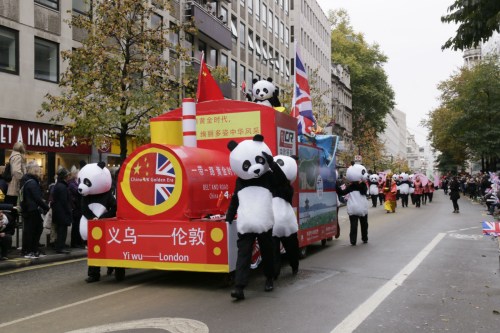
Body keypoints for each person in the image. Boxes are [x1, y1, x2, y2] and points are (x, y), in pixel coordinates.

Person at [20, 161, 50, 259]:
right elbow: (37, 198)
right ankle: (30, 251)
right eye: (37, 168)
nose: (39, 170)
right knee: (34, 230)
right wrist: (47, 207)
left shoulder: (26, 180)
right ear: (33, 169)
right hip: (32, 209)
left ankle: (31, 249)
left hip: (27, 209)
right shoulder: (32, 182)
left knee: (30, 230)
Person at [51, 168, 72, 254]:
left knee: (60, 230)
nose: (69, 177)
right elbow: (64, 201)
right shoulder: (62, 186)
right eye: (68, 175)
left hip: (58, 212)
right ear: (65, 176)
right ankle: (60, 247)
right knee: (62, 231)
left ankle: (60, 246)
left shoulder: (58, 185)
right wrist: (69, 210)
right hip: (62, 212)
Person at [5, 141, 27, 206]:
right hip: (16, 186)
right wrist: (24, 178)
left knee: (11, 205)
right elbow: (16, 171)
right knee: (15, 206)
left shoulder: (13, 155)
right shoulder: (18, 156)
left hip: (12, 185)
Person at [68, 166, 84, 248]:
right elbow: (78, 191)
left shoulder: (76, 182)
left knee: (78, 225)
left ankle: (78, 242)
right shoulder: (71, 183)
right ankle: (74, 243)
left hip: (78, 207)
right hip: (75, 207)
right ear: (74, 174)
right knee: (76, 226)